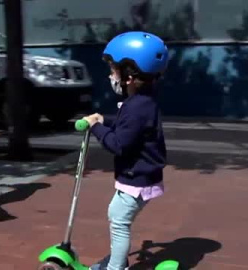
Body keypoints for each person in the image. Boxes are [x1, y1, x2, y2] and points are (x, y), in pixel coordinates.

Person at [83, 31, 169, 270]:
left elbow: (118, 144)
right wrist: (105, 121)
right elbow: (129, 128)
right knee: (117, 215)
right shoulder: (143, 101)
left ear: (129, 76)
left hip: (136, 178)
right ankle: (117, 262)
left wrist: (96, 128)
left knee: (119, 221)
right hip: (141, 175)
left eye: (113, 69)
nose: (111, 75)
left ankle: (115, 267)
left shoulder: (136, 107)